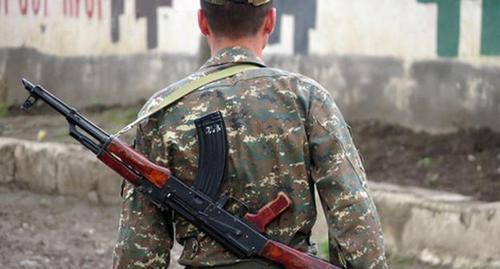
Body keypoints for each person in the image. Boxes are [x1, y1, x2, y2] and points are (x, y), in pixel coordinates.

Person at [113, 0, 388, 268]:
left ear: (202, 22)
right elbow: (353, 214)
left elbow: (140, 245)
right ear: (271, 21)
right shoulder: (307, 98)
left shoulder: (164, 110)